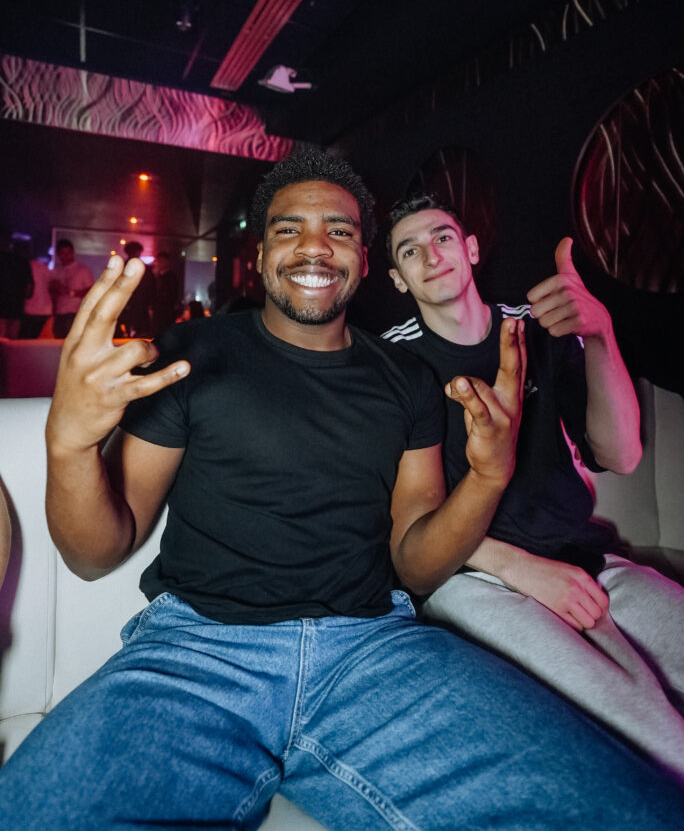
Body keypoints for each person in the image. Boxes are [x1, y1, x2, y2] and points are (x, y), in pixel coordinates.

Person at [1, 152, 684, 831]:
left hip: (376, 651)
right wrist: (70, 445)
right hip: (197, 653)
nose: (315, 246)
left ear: (362, 259)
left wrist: (488, 476)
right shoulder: (192, 353)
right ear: (260, 253)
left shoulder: (407, 379)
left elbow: (417, 564)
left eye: (339, 230)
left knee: (628, 812)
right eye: (288, 228)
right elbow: (95, 552)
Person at [383, 192, 684, 783]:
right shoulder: (390, 363)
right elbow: (393, 522)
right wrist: (519, 567)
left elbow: (621, 454)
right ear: (397, 278)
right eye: (410, 251)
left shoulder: (536, 329)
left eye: (442, 237)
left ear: (471, 249)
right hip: (472, 577)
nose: (432, 256)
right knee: (655, 744)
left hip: (585, 560)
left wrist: (601, 335)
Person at [50, 239, 94, 339]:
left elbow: (91, 292)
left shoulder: (82, 270)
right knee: (59, 341)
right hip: (59, 313)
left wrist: (71, 292)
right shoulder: (57, 270)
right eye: (63, 253)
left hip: (75, 313)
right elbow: (52, 290)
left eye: (69, 253)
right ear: (58, 254)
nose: (66, 256)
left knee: (73, 341)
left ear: (73, 253)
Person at [116, 241, 155, 337]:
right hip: (127, 304)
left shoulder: (145, 269)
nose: (134, 253)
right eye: (132, 251)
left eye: (136, 251)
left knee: (139, 331)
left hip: (137, 304)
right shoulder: (123, 267)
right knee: (127, 331)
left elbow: (151, 287)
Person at [0, 227, 32, 339]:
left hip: (3, 304)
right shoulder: (22, 261)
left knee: (2, 337)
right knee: (12, 339)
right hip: (16, 305)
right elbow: (29, 287)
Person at [18, 244, 53, 338]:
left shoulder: (22, 267)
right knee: (32, 338)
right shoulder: (43, 267)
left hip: (30, 310)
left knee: (24, 339)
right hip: (44, 310)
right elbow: (51, 286)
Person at [152, 250, 180, 334]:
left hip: (166, 311)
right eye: (158, 261)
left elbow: (171, 294)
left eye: (161, 261)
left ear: (167, 262)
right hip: (161, 311)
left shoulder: (170, 277)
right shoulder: (161, 276)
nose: (159, 263)